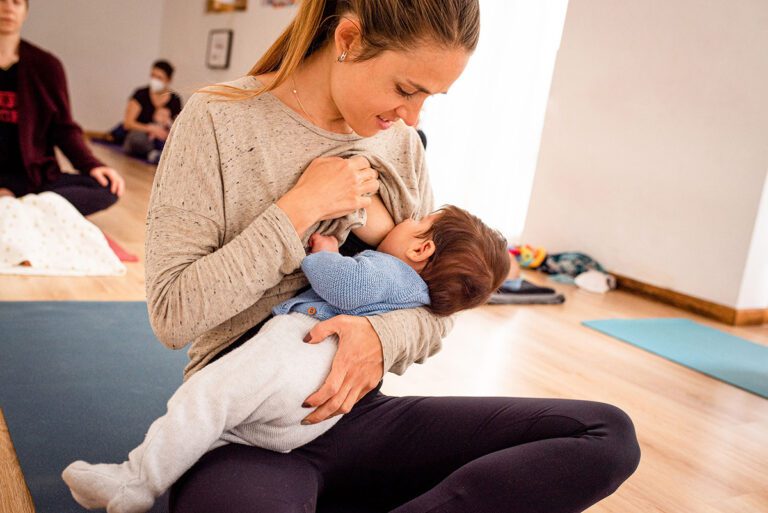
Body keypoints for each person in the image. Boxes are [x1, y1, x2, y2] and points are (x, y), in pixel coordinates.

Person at [142, 1, 641, 511]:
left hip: (358, 415)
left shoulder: (401, 145)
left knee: (606, 436)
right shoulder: (220, 119)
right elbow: (173, 316)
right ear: (348, 39)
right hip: (244, 427)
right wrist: (297, 210)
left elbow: (435, 308)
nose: (413, 116)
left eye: (430, 97)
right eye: (406, 89)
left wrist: (379, 337)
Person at [62, 202, 511, 513]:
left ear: (420, 249)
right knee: (226, 421)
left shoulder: (389, 273)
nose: (405, 218)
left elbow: (346, 287)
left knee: (203, 399)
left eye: (416, 222)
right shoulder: (420, 299)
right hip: (307, 411)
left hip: (299, 351)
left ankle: (136, 481)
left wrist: (325, 253)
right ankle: (187, 460)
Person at [0, 0, 125, 215]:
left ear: (25, 12)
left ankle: (17, 208)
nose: (8, 7)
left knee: (106, 187)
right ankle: (25, 210)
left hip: (32, 179)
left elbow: (64, 127)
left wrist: (92, 165)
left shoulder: (46, 65)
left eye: (17, 2)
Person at [110, 60, 183, 164]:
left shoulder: (175, 99)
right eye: (153, 76)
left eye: (159, 78)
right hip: (142, 135)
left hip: (162, 137)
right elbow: (128, 124)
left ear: (168, 80)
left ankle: (159, 154)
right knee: (136, 139)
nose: (154, 80)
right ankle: (154, 154)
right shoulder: (140, 94)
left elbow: (177, 126)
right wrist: (151, 129)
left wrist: (165, 131)